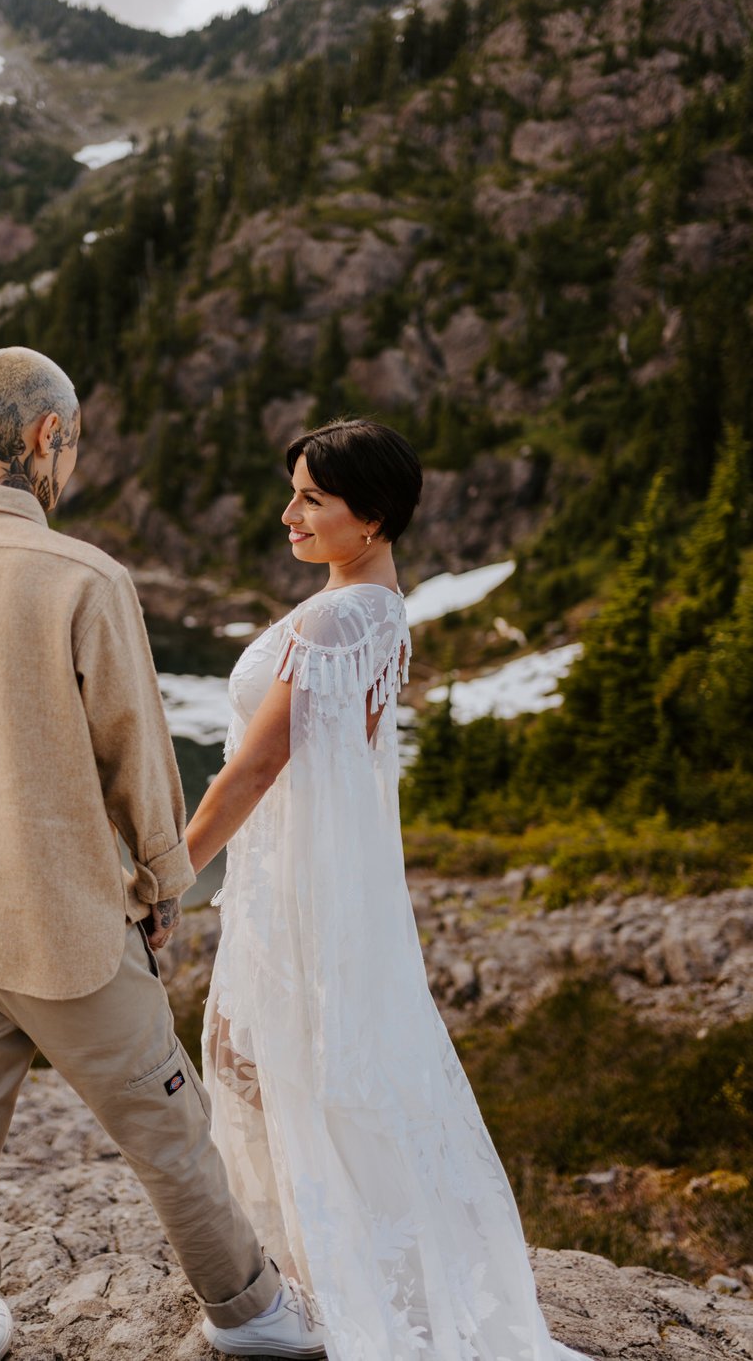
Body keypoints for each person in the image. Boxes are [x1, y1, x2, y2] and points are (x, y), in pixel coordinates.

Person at [0, 346, 326, 1361]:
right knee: (167, 1126)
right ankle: (252, 1317)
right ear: (45, 438)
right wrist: (161, 885)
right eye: (74, 441)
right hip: (64, 926)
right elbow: (137, 758)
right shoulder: (83, 577)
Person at [185, 418, 594, 1361]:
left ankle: (322, 1285)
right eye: (292, 491)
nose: (288, 513)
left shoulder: (339, 617)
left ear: (369, 519)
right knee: (312, 1068)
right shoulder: (374, 607)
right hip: (310, 879)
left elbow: (256, 768)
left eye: (311, 499)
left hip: (295, 887)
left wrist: (169, 868)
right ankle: (331, 1268)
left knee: (290, 1067)